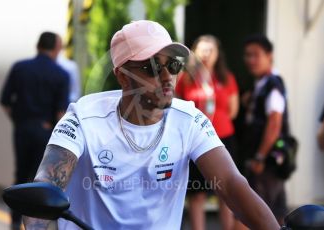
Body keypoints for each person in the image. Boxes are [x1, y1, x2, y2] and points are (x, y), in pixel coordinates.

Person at [23, 20, 279, 230]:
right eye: (152, 67)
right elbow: (45, 189)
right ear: (123, 76)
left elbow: (232, 184)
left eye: (173, 65)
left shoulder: (190, 120)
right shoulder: (82, 119)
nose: (167, 77)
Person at [0, 31, 69, 230]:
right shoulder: (61, 74)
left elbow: (5, 102)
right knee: (43, 180)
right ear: (56, 49)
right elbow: (61, 112)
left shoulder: (20, 68)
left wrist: (19, 121)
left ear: (38, 46)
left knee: (20, 175)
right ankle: (37, 225)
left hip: (22, 129)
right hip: (45, 132)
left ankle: (14, 222)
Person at [175, 35, 239, 230]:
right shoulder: (185, 79)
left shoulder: (226, 78)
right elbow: (177, 107)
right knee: (197, 193)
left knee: (226, 190)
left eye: (211, 50)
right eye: (202, 49)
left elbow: (233, 111)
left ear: (218, 54)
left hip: (223, 138)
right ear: (195, 52)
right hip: (194, 141)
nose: (206, 54)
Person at [238, 34, 289, 228]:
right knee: (275, 218)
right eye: (247, 55)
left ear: (270, 56)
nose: (250, 60)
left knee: (249, 216)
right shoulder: (261, 84)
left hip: (266, 164)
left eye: (256, 55)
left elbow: (275, 123)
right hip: (269, 163)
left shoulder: (273, 84)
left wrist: (260, 157)